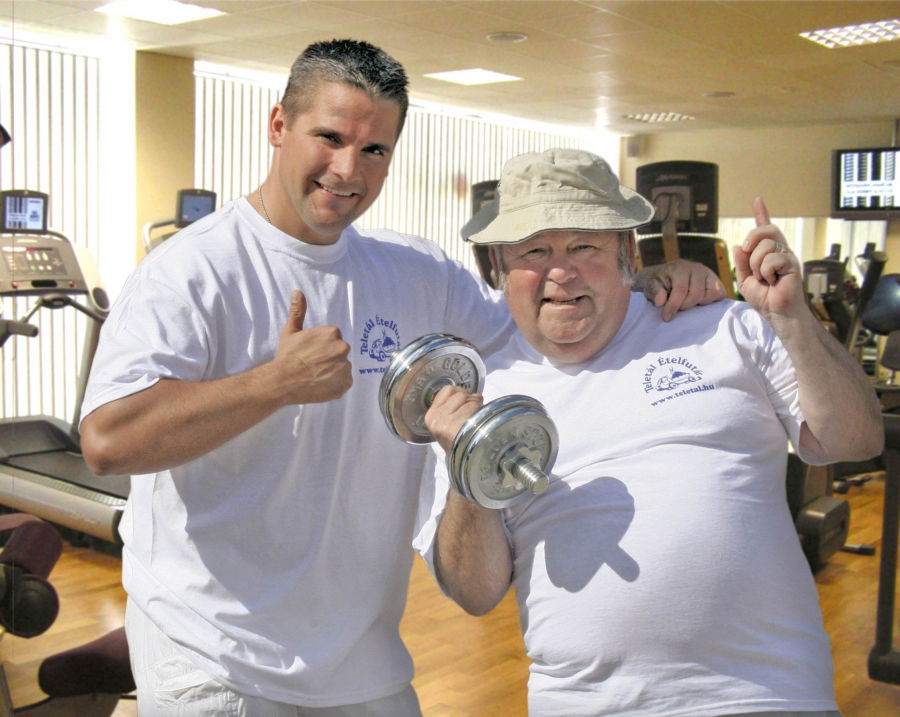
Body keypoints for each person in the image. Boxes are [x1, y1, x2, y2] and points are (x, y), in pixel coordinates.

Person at [80, 41, 725, 715]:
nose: (347, 168)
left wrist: (636, 286)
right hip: (216, 658)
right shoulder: (193, 271)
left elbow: (543, 332)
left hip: (363, 663)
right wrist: (274, 383)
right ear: (278, 126)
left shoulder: (418, 274)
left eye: (374, 150)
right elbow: (107, 441)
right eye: (328, 137)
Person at [414, 147, 884, 716]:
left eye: (584, 245)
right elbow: (475, 592)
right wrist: (471, 462)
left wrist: (793, 319)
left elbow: (857, 441)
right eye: (534, 250)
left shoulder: (722, 327)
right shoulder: (479, 396)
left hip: (765, 695)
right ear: (498, 267)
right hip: (585, 703)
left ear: (626, 252)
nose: (560, 271)